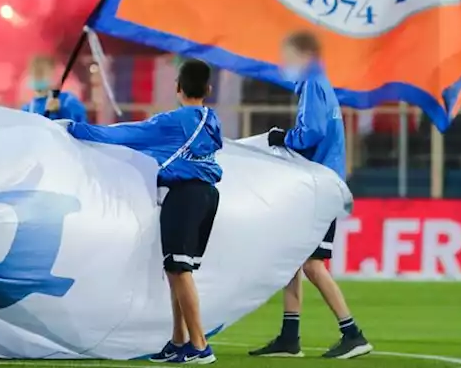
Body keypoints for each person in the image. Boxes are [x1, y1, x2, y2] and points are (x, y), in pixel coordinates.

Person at [66, 59, 221, 365]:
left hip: (184, 195)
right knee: (176, 269)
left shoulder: (173, 121)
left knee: (179, 270)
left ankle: (200, 345)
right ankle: (179, 341)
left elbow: (124, 135)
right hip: (207, 195)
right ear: (209, 89)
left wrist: (72, 129)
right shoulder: (212, 120)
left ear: (178, 88)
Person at [251, 31, 372, 360]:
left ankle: (353, 333)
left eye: (288, 56)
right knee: (294, 258)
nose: (284, 63)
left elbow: (311, 133)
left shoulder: (313, 84)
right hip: (320, 183)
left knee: (312, 263)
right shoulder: (319, 83)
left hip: (320, 186)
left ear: (304, 56)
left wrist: (283, 138)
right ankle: (289, 337)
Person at [21, 54, 88, 122]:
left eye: (41, 71)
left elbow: (79, 126)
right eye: (33, 71)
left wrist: (59, 113)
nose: (37, 75)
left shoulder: (67, 100)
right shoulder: (27, 109)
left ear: (53, 73)